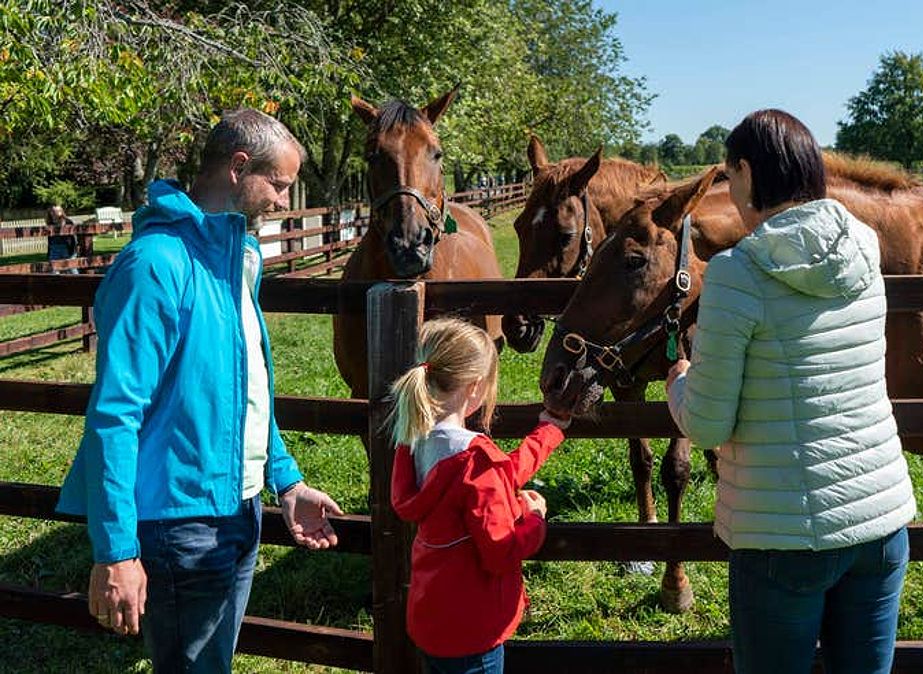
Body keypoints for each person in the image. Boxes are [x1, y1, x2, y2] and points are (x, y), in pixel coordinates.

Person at [56, 108, 344, 673]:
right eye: (280, 185)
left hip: (240, 508)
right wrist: (115, 549)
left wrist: (285, 481)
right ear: (239, 167)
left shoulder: (241, 257)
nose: (285, 202)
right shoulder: (155, 265)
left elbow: (246, 391)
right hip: (178, 522)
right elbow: (115, 415)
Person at [665, 109, 916, 674]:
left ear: (747, 174)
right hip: (880, 520)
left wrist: (679, 383)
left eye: (729, 179)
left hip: (783, 535)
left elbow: (705, 425)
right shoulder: (865, 250)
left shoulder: (735, 273)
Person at [389, 317, 571, 674]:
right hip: (474, 631)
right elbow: (501, 552)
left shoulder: (412, 440)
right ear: (475, 388)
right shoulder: (474, 460)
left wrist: (548, 433)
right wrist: (535, 519)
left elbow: (500, 475)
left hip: (432, 618)